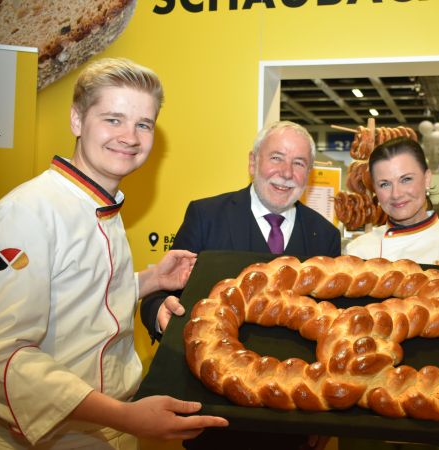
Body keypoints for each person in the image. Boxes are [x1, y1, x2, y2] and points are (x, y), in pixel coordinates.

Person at [0, 58, 228, 449]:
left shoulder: (103, 202)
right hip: (53, 437)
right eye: (113, 119)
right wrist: (125, 415)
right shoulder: (29, 210)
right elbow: (6, 356)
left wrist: (149, 280)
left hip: (111, 429)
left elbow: (78, 299)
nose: (130, 137)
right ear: (76, 120)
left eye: (143, 124)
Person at [140, 120, 340, 450]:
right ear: (252, 162)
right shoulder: (206, 215)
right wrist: (157, 309)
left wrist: (327, 414)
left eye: (299, 163)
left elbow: (332, 327)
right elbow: (163, 291)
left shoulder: (326, 236)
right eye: (276, 157)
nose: (286, 172)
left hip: (294, 421)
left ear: (309, 174)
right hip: (214, 418)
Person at [345, 136, 439, 269]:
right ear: (375, 189)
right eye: (384, 184)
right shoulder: (359, 252)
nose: (396, 194)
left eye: (406, 179)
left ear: (427, 178)